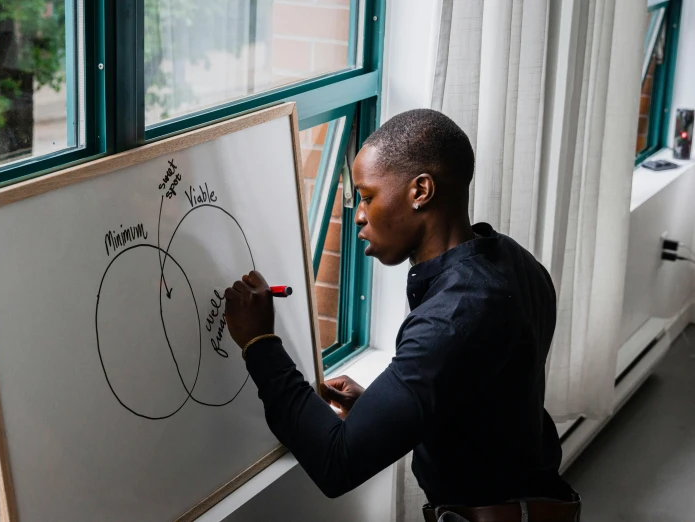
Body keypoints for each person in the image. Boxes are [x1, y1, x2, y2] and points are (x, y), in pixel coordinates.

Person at [224, 109, 580, 522]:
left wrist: (259, 343)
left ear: (421, 191)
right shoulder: (515, 261)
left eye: (367, 196)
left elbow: (335, 463)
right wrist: (380, 408)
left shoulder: (453, 316)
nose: (358, 214)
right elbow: (488, 401)